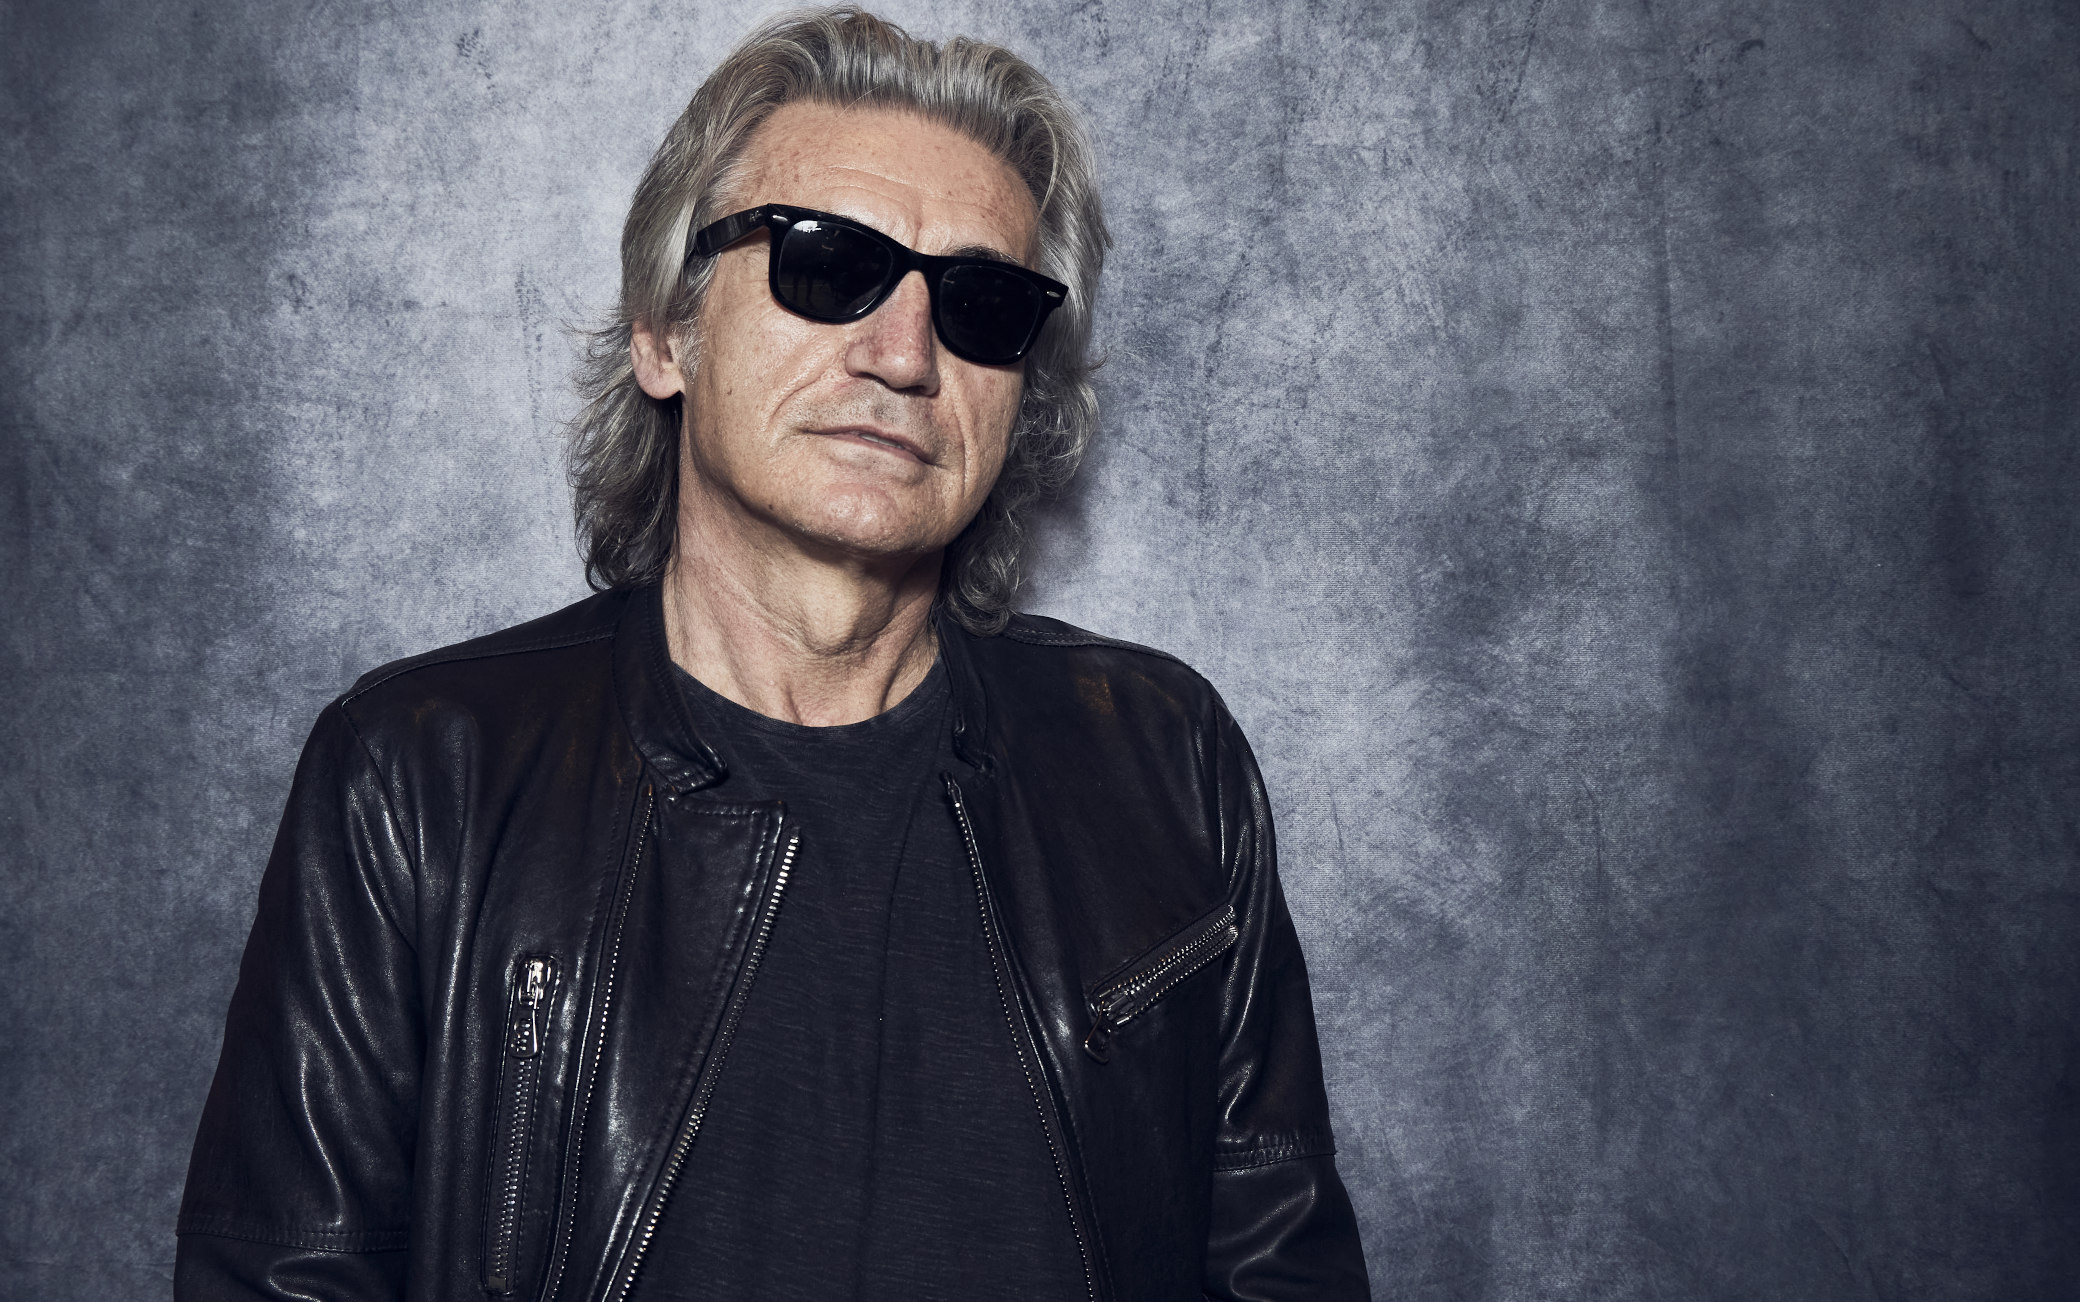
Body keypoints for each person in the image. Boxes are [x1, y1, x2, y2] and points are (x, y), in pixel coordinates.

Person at [174, 8, 1369, 1300]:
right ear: (664, 331)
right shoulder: (412, 781)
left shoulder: (1168, 765)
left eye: (978, 303)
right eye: (825, 263)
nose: (906, 353)